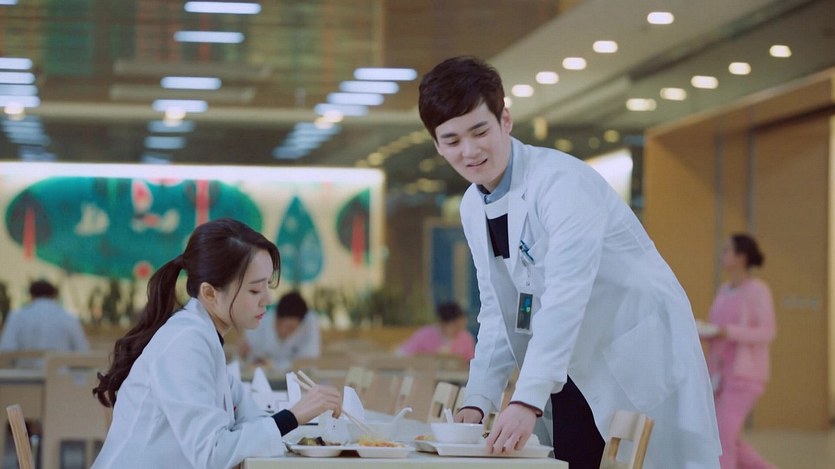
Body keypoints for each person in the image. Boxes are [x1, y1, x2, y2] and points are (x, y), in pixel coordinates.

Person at [418, 56, 721, 468]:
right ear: (437, 145)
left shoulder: (562, 183)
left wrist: (526, 399)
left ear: (505, 120)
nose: (469, 151)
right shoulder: (474, 205)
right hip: (567, 360)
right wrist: (477, 400)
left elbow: (566, 295)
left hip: (630, 350)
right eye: (452, 140)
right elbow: (497, 311)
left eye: (479, 131)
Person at [91, 218, 342, 468]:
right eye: (255, 290)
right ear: (210, 293)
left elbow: (251, 419)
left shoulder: (204, 338)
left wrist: (301, 415)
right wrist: (295, 415)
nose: (267, 299)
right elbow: (212, 454)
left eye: (267, 285)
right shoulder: (185, 343)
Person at [701, 234, 777, 469]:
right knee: (725, 437)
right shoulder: (724, 290)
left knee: (723, 438)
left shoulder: (758, 290)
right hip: (720, 376)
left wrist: (728, 332)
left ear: (741, 257)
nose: (722, 254)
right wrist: (704, 332)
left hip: (744, 376)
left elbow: (767, 332)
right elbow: (718, 329)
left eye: (727, 250)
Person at [237, 290, 321, 373]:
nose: (283, 330)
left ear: (300, 324)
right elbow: (246, 358)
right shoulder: (260, 323)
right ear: (275, 316)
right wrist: (245, 357)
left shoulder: (309, 323)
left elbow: (308, 360)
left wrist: (273, 365)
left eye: (290, 328)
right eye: (279, 324)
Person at [0, 279, 89, 355]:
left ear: (31, 295)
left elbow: (6, 350)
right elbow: (83, 351)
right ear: (54, 295)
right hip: (61, 370)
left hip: (23, 370)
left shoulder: (17, 317)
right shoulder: (69, 317)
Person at [397, 301, 475, 361]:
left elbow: (471, 361)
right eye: (455, 326)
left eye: (461, 326)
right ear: (442, 323)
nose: (458, 330)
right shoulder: (425, 334)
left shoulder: (466, 338)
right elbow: (403, 353)